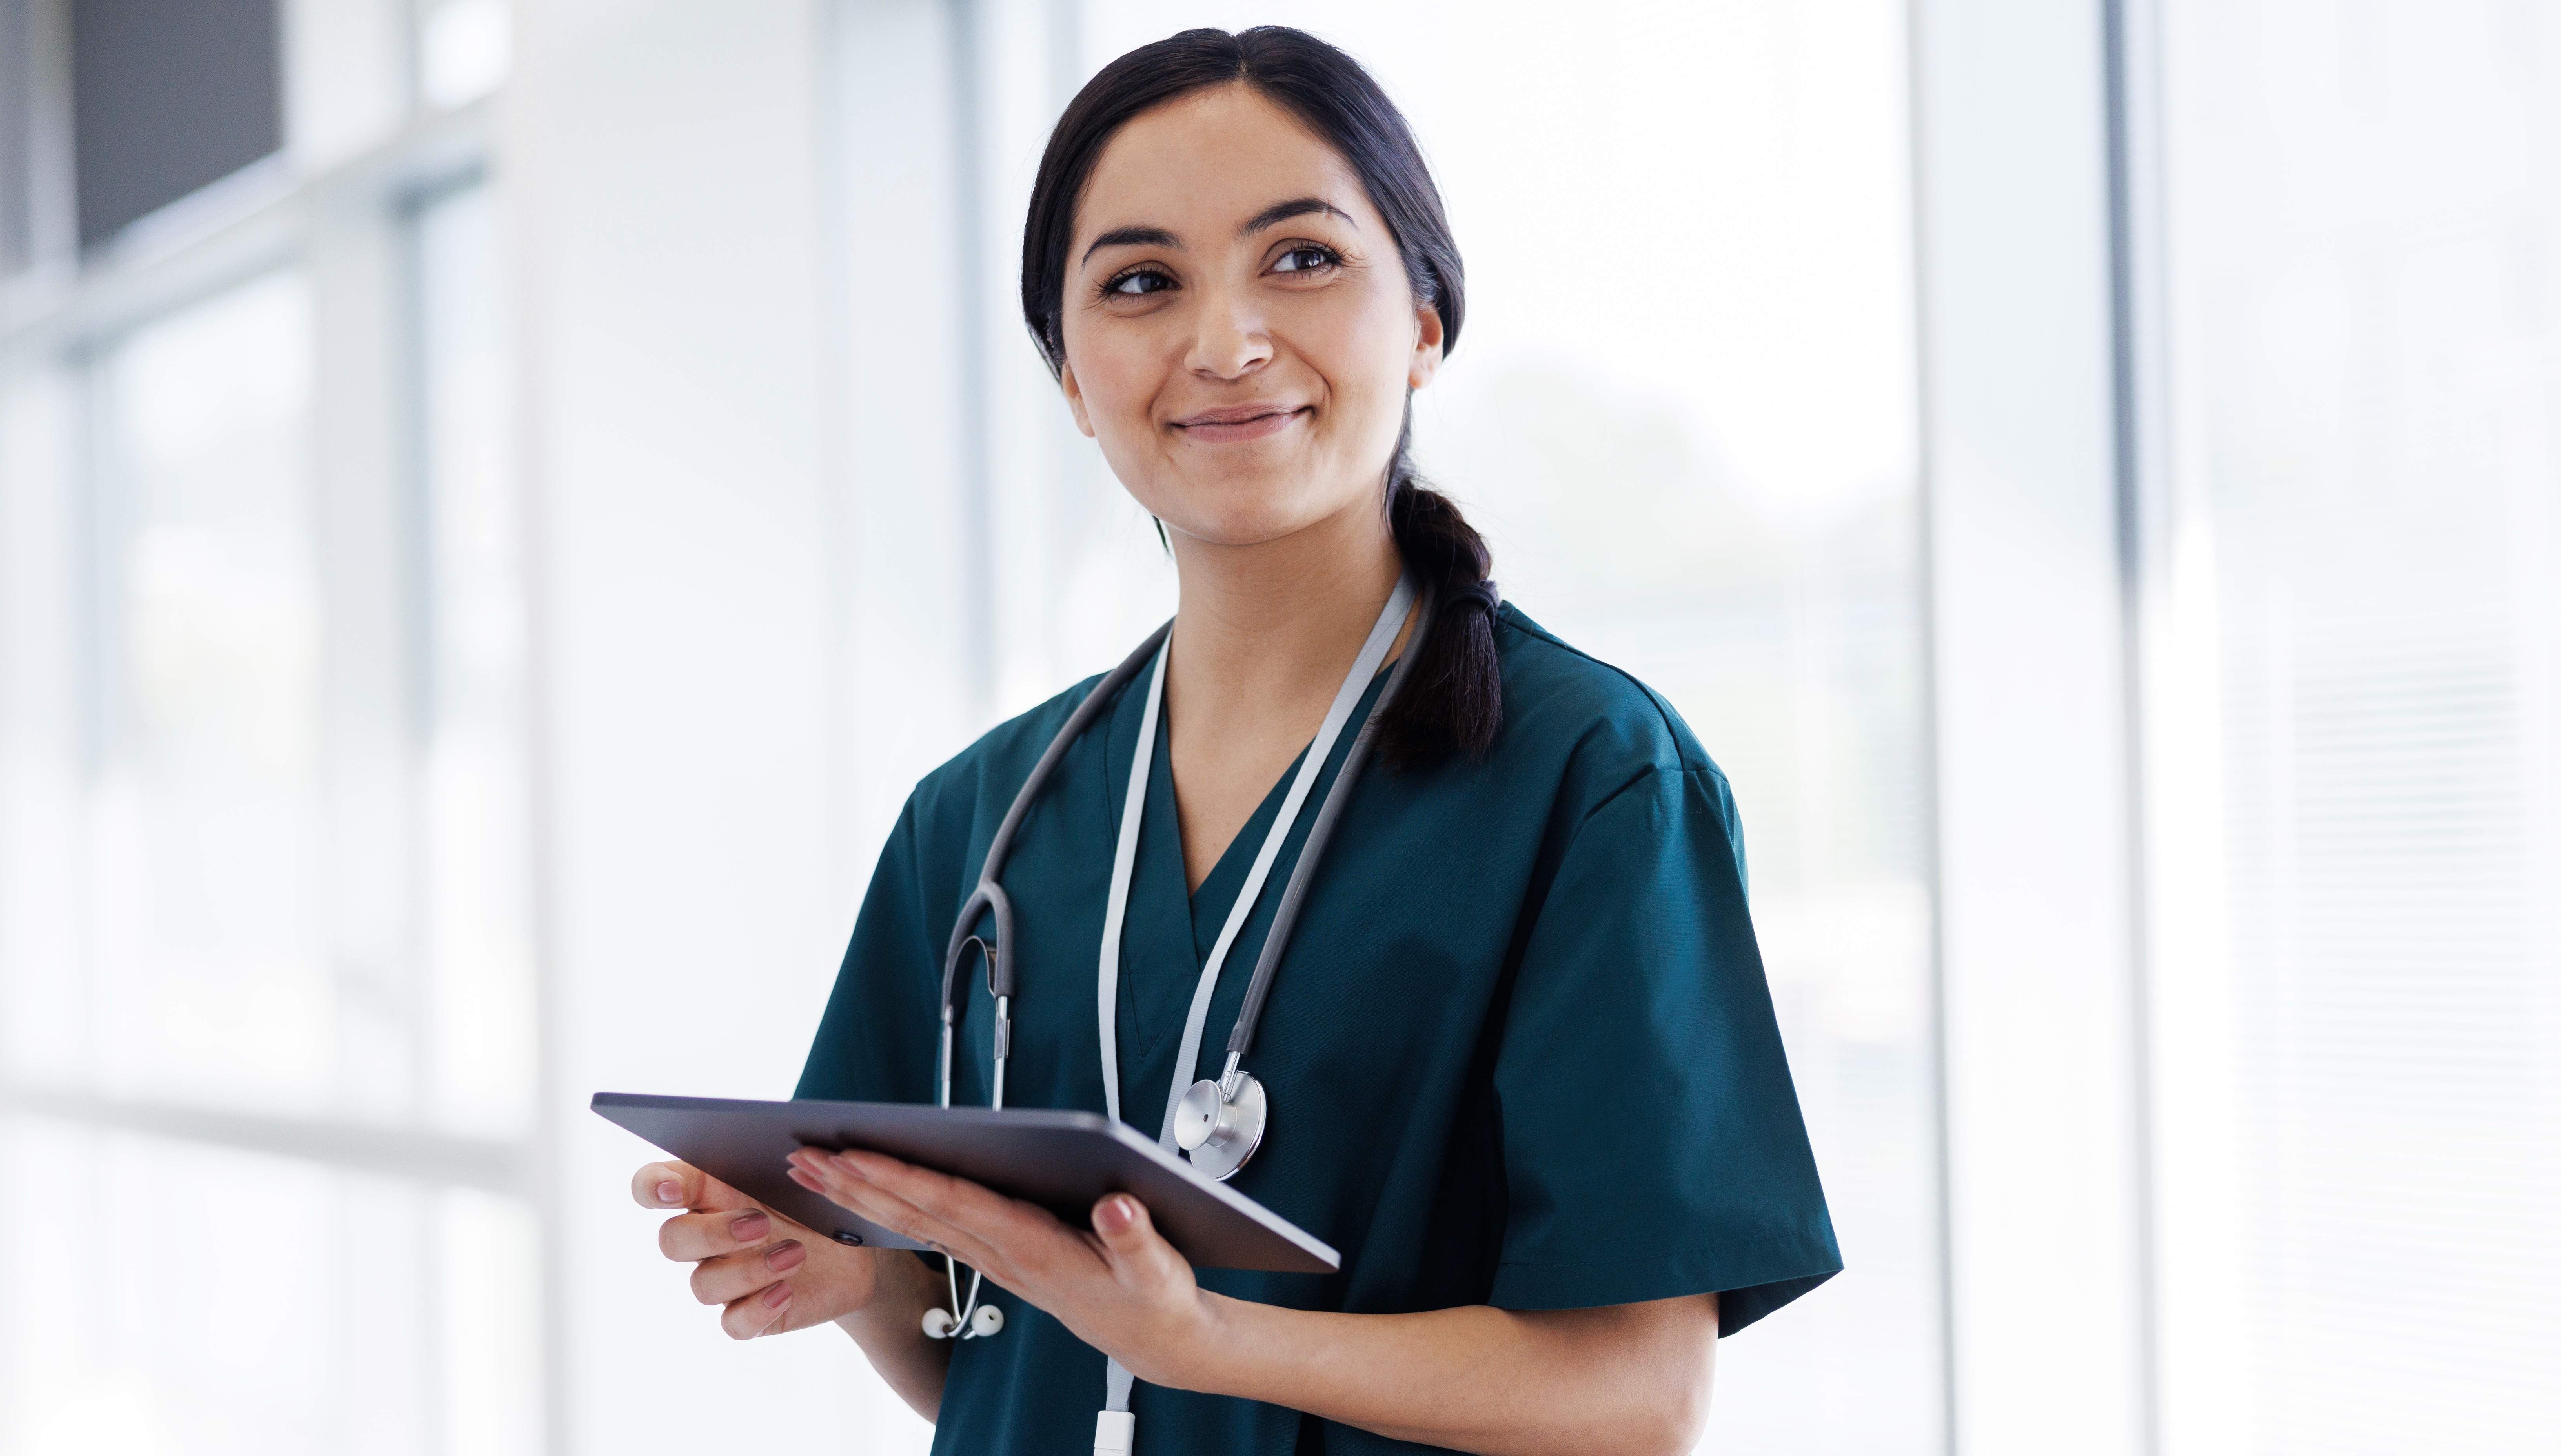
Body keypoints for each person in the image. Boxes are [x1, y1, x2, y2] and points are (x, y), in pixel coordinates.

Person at [627, 25, 1837, 1456]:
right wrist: (858, 1279)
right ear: (1073, 377)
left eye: (1303, 259)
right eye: (1142, 283)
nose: (1225, 341)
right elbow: (987, 1364)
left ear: (1428, 322)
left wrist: (1205, 1339)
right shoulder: (979, 821)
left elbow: (1640, 1398)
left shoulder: (1592, 780)